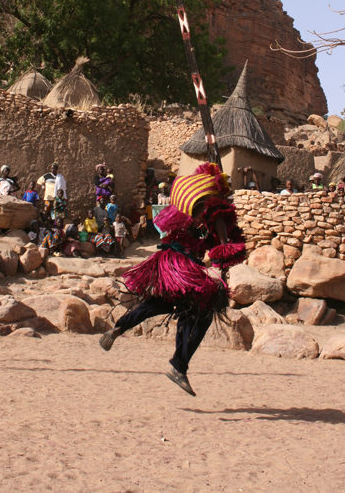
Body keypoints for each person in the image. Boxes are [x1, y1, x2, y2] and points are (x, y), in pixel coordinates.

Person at [99, 162, 246, 396]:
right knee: (202, 310)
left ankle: (117, 330)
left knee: (162, 304)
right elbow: (223, 245)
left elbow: (207, 240)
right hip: (181, 264)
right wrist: (226, 242)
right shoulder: (212, 210)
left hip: (167, 261)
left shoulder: (185, 211)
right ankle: (179, 366)